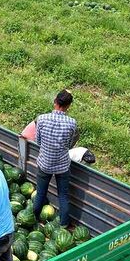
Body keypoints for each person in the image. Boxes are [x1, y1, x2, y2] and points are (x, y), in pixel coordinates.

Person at [33, 90, 78, 229]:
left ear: (55, 102)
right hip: (62, 165)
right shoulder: (72, 123)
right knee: (63, 196)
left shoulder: (42, 118)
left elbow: (38, 141)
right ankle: (64, 225)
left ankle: (34, 219)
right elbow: (70, 144)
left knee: (41, 192)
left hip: (44, 163)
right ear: (68, 106)